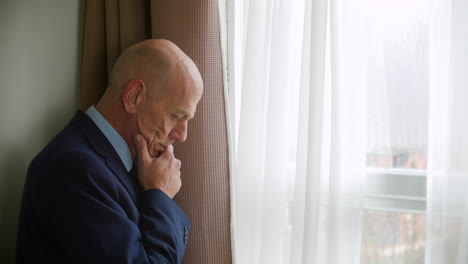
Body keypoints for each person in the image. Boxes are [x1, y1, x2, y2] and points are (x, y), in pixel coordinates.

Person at [16, 39, 203, 263]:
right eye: (176, 116)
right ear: (134, 97)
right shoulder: (73, 169)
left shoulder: (121, 162)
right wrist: (160, 195)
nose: (182, 135)